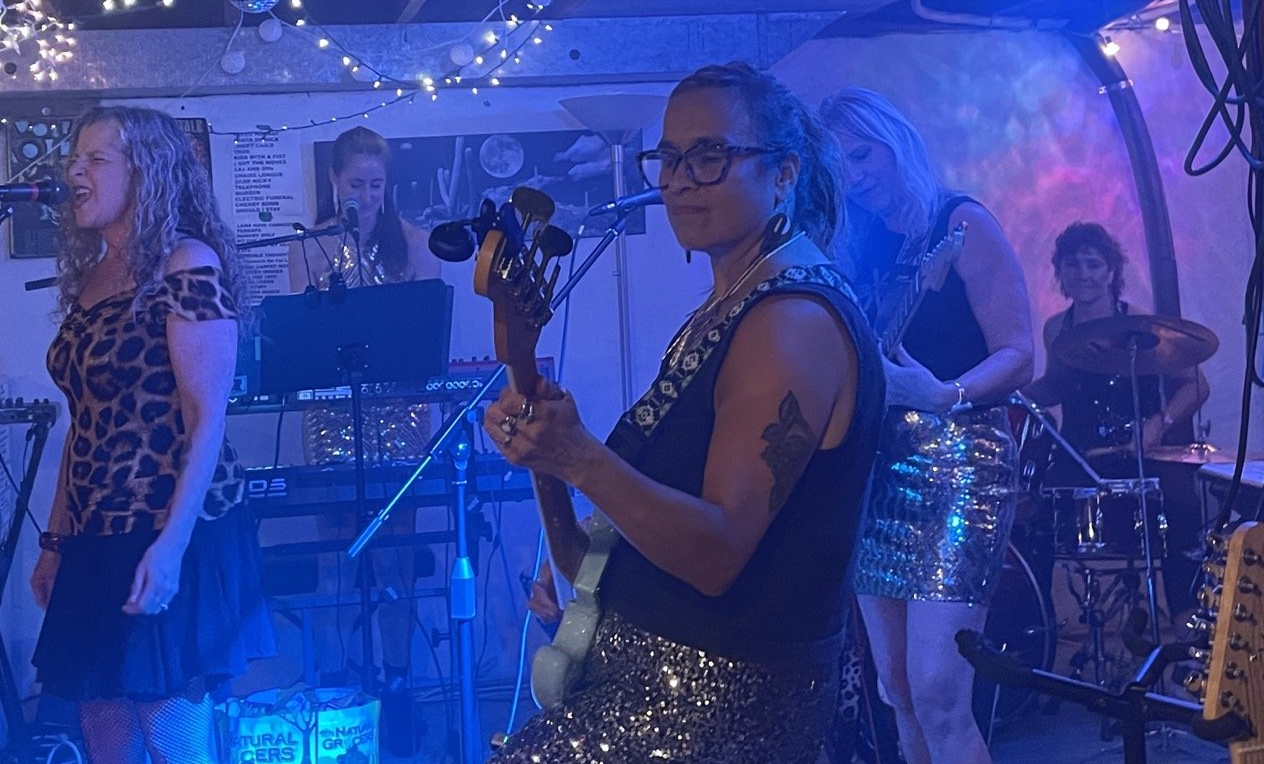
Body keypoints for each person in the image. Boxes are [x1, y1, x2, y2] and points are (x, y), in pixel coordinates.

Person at [483, 62, 885, 763]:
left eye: (709, 156)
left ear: (783, 174)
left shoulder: (790, 320)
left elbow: (717, 552)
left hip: (716, 708)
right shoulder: (728, 308)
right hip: (644, 684)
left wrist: (579, 455)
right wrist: (554, 466)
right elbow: (664, 514)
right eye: (668, 158)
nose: (676, 181)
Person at [31, 106, 273, 763]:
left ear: (147, 172)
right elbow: (87, 423)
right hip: (96, 530)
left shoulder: (187, 264)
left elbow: (207, 416)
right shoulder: (93, 280)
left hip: (175, 526)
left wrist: (170, 546)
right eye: (73, 158)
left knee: (169, 732)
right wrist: (55, 541)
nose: (74, 171)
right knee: (103, 723)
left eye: (95, 159)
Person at [819, 87, 1034, 764]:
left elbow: (1023, 352)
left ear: (895, 142)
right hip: (878, 471)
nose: (855, 176)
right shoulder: (859, 246)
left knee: (941, 689)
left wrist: (946, 391)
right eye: (839, 165)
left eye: (862, 154)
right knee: (898, 688)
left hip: (961, 461)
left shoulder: (960, 221)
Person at [286, 125, 441, 756]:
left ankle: (397, 679)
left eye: (378, 185)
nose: (369, 196)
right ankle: (342, 679)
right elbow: (302, 333)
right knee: (338, 549)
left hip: (399, 415)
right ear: (334, 183)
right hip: (332, 419)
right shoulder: (311, 246)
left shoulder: (414, 243)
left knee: (398, 554)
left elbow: (424, 335)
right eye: (357, 185)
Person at [1023, 221, 1209, 619]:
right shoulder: (1056, 327)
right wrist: (1011, 392)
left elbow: (1197, 386)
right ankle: (1038, 626)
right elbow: (1057, 385)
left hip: (1141, 450)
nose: (1084, 274)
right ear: (1061, 275)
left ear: (1111, 272)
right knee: (1029, 510)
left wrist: (1159, 422)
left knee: (1182, 505)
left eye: (1093, 264)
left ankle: (1183, 617)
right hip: (1080, 451)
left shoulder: (1142, 327)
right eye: (1073, 265)